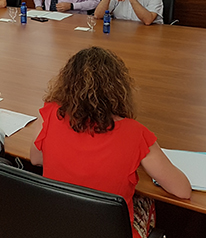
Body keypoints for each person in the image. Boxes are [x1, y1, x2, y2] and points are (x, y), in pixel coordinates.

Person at [30, 47, 191, 238]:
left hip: (59, 227)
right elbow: (182, 190)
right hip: (112, 231)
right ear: (118, 88)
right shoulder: (136, 133)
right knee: (148, 202)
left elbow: (35, 159)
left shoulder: (51, 114)